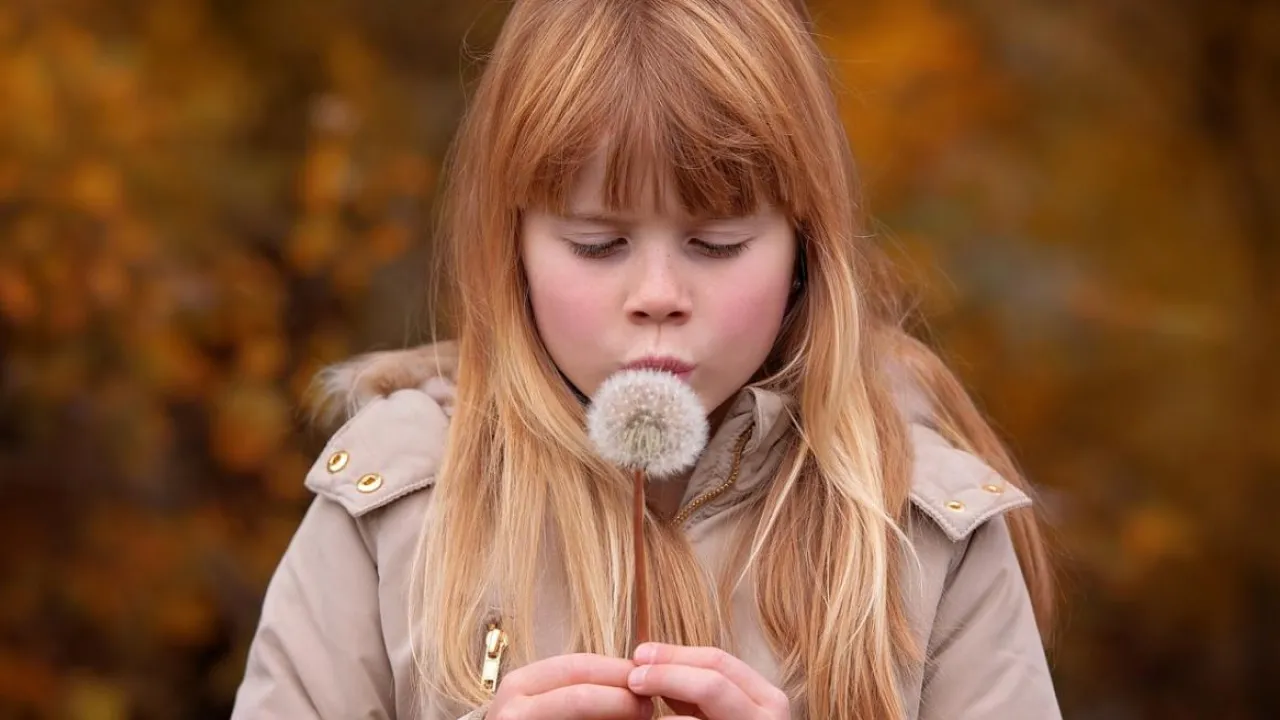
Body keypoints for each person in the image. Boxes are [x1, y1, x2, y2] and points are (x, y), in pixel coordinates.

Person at [231, 0, 1063, 718]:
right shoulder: (395, 513)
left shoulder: (926, 535)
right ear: (510, 245)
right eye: (598, 244)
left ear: (805, 247)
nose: (658, 292)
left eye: (716, 242)